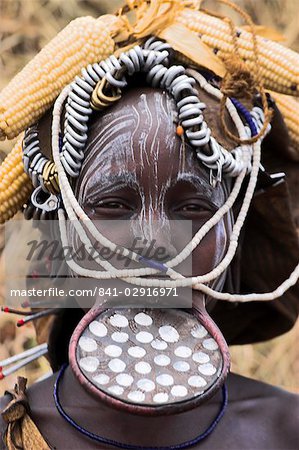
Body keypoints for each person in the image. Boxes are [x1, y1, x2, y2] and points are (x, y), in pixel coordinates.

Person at [0, 1, 299, 449]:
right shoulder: (12, 434)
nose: (155, 244)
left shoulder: (286, 430)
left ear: (233, 236)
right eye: (114, 205)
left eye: (193, 207)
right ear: (61, 233)